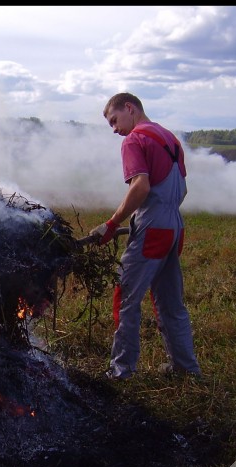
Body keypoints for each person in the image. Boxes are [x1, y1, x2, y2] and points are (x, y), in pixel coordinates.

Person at [89, 92, 201, 379]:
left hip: (152, 230)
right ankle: (186, 369)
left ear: (130, 108)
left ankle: (121, 370)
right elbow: (182, 190)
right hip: (175, 228)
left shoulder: (135, 140)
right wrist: (162, 214)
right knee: (171, 303)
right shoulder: (171, 139)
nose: (115, 130)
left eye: (114, 120)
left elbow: (141, 186)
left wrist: (112, 224)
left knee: (125, 298)